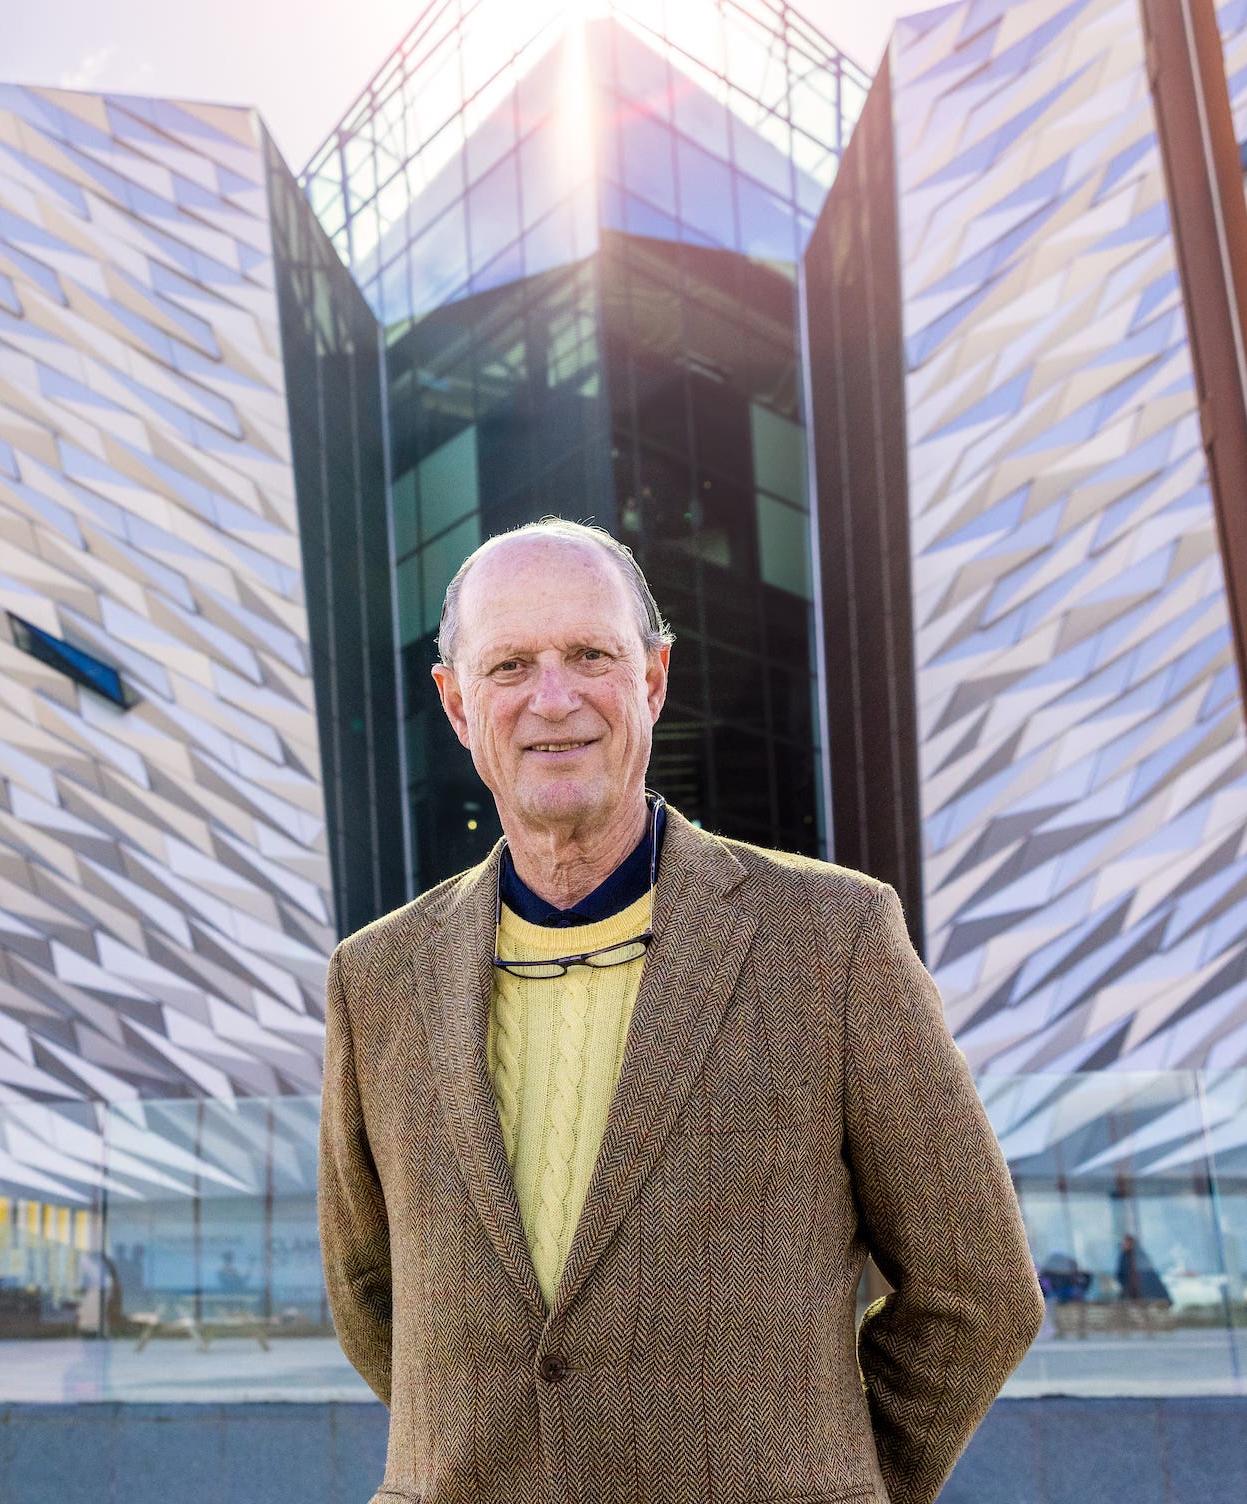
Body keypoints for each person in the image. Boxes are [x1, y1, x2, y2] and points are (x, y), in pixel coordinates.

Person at [317, 519, 1043, 1504]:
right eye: (511, 665)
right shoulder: (375, 981)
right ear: (455, 702)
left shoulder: (835, 940)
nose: (554, 697)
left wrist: (833, 1478)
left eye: (590, 654)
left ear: (653, 678)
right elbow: (371, 1297)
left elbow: (977, 1291)